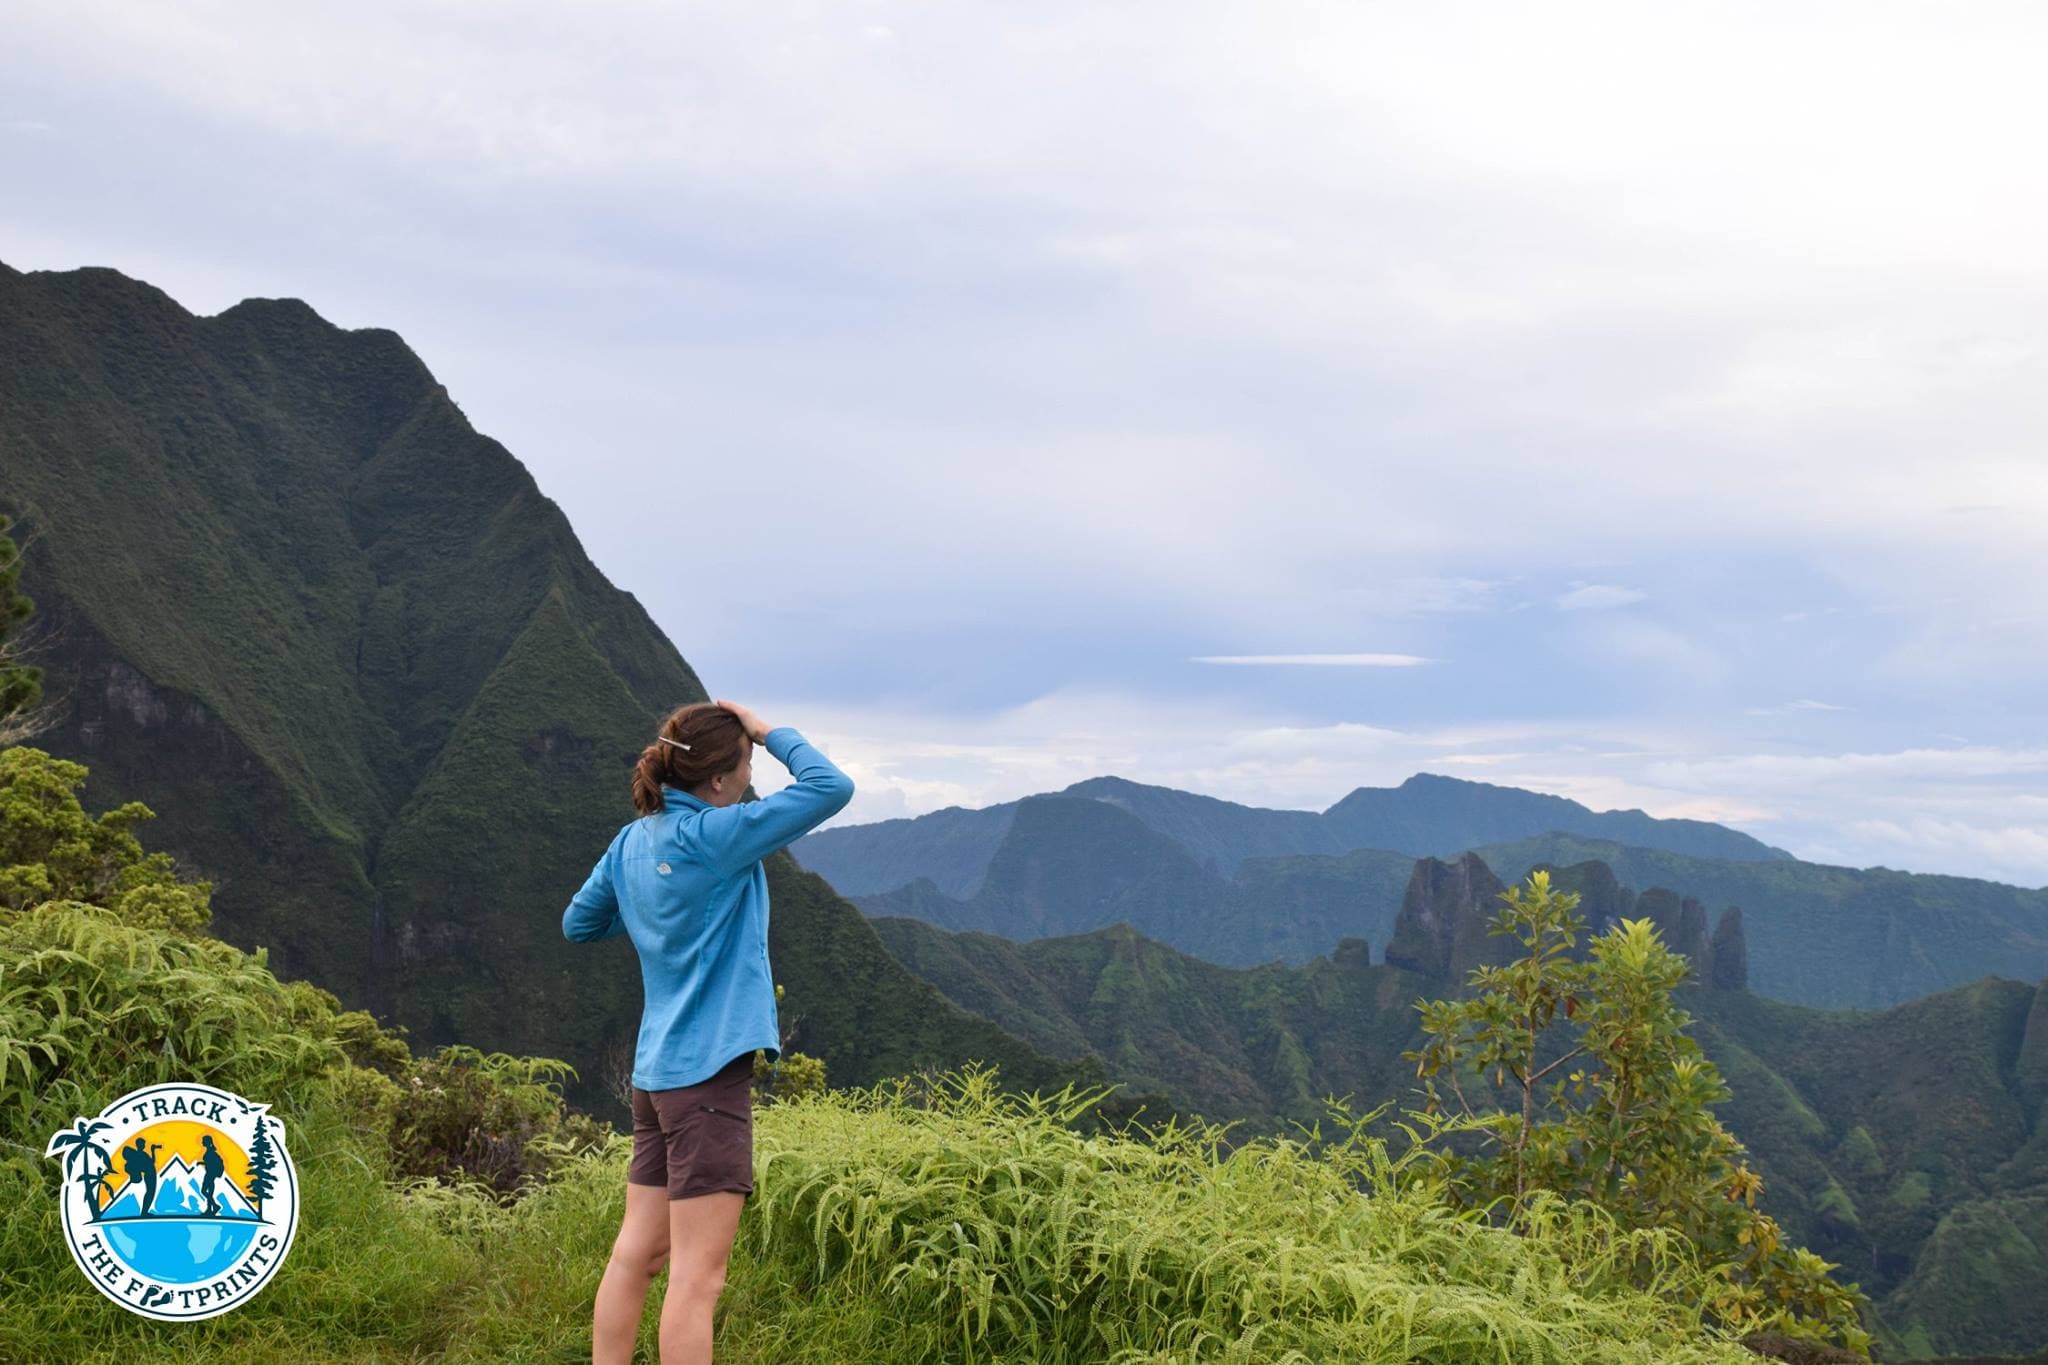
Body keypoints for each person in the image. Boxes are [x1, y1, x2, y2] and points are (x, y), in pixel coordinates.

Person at [563, 698, 854, 1365]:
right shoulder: (718, 837)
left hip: (654, 1078)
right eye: (748, 767)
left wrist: (653, 915)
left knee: (637, 1253)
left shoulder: (635, 838)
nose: (752, 780)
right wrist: (763, 727)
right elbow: (830, 787)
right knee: (698, 1277)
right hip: (708, 1080)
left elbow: (579, 922)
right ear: (719, 780)